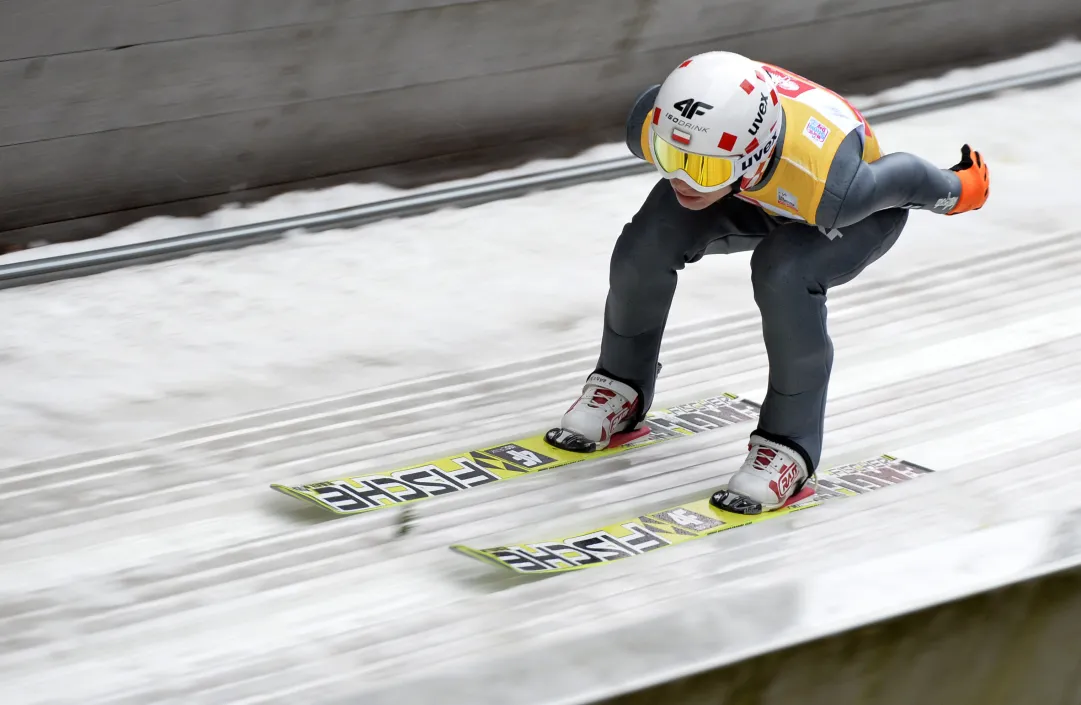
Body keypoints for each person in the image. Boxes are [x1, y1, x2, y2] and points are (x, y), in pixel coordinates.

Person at [543, 51, 990, 514]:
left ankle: (789, 447)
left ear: (752, 156)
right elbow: (690, 163)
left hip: (839, 209)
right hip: (748, 186)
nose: (681, 178)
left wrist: (960, 189)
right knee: (646, 242)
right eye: (667, 156)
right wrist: (707, 169)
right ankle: (622, 384)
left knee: (784, 271)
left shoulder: (834, 187)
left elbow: (909, 178)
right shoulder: (662, 121)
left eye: (702, 168)